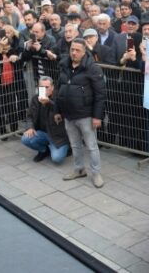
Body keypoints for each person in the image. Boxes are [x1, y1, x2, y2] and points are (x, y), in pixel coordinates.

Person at [56, 39, 107, 188]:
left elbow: (100, 94)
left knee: (91, 146)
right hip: (68, 114)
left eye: (77, 50)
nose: (74, 53)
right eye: (72, 49)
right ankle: (79, 170)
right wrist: (58, 110)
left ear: (85, 52)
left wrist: (97, 116)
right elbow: (59, 89)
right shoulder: (64, 65)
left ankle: (96, 173)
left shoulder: (92, 68)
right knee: (75, 145)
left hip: (86, 115)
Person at [21, 76, 69, 163]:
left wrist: (49, 102)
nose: (44, 89)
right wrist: (30, 127)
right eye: (41, 87)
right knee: (25, 139)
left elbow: (64, 111)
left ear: (52, 87)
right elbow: (30, 116)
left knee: (57, 159)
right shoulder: (36, 98)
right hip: (43, 133)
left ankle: (67, 147)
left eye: (47, 87)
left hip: (58, 136)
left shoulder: (59, 97)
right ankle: (44, 150)